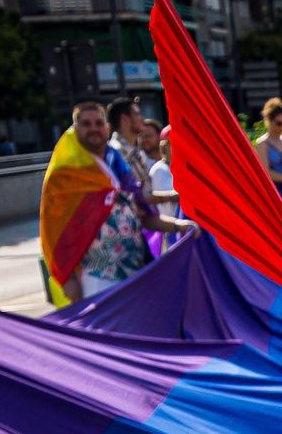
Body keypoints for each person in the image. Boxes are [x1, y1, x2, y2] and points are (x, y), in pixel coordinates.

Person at [58, 102, 192, 301]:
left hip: (135, 272)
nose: (93, 128)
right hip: (99, 278)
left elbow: (144, 212)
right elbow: (56, 232)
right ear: (75, 130)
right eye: (86, 124)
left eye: (98, 123)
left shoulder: (118, 164)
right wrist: (68, 282)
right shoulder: (68, 175)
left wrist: (181, 225)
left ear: (107, 127)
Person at [149, 126, 179, 220]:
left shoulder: (181, 167)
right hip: (171, 224)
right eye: (172, 143)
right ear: (164, 146)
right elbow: (175, 197)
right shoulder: (159, 169)